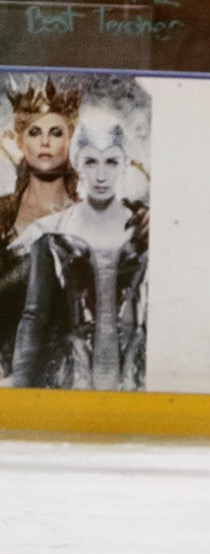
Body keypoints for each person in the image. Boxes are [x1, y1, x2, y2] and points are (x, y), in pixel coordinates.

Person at [11, 109, 147, 391]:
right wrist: (21, 389)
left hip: (135, 381)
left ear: (124, 163)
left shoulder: (144, 231)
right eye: (91, 161)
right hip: (72, 380)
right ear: (77, 162)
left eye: (111, 161)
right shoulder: (51, 232)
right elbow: (34, 316)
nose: (100, 175)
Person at [0, 77, 81, 381]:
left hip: (66, 374)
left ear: (70, 140)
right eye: (35, 132)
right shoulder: (2, 213)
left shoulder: (88, 216)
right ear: (20, 142)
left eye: (55, 132)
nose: (45, 142)